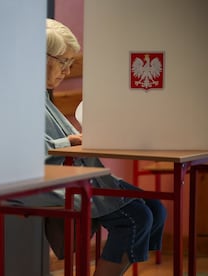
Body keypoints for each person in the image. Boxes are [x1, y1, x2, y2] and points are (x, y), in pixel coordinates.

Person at [13, 18, 167, 276]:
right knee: (136, 218)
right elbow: (24, 150)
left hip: (74, 176)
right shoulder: (18, 95)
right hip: (48, 182)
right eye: (63, 62)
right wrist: (70, 141)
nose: (67, 70)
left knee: (155, 207)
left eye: (70, 64)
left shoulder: (41, 95)